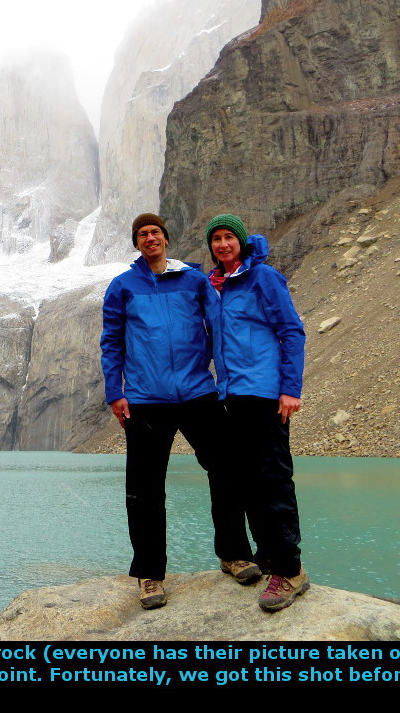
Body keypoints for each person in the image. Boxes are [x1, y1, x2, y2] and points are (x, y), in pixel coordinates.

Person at [100, 213, 247, 609]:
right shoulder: (122, 287)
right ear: (137, 244)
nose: (150, 238)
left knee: (227, 470)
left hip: (198, 392)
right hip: (146, 399)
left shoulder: (194, 281)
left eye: (155, 232)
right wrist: (115, 392)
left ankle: (234, 554)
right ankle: (149, 574)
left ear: (166, 238)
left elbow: (218, 328)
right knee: (145, 489)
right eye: (142, 234)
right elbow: (111, 342)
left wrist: (224, 381)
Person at [205, 213, 309, 612]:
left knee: (273, 482)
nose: (222, 244)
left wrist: (290, 389)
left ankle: (290, 570)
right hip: (231, 396)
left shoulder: (262, 277)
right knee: (247, 482)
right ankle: (268, 557)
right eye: (216, 239)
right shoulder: (217, 286)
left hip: (264, 394)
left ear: (241, 241)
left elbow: (291, 331)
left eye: (228, 237)